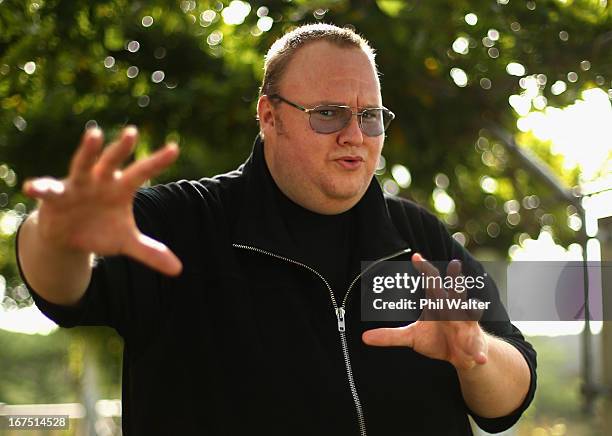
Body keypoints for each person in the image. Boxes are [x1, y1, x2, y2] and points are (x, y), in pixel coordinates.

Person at [16, 23, 536, 435]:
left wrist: (477, 357)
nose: (355, 135)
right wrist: (57, 234)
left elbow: (509, 397)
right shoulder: (182, 222)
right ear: (269, 116)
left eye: (370, 115)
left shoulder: (417, 238)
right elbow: (63, 289)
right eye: (328, 114)